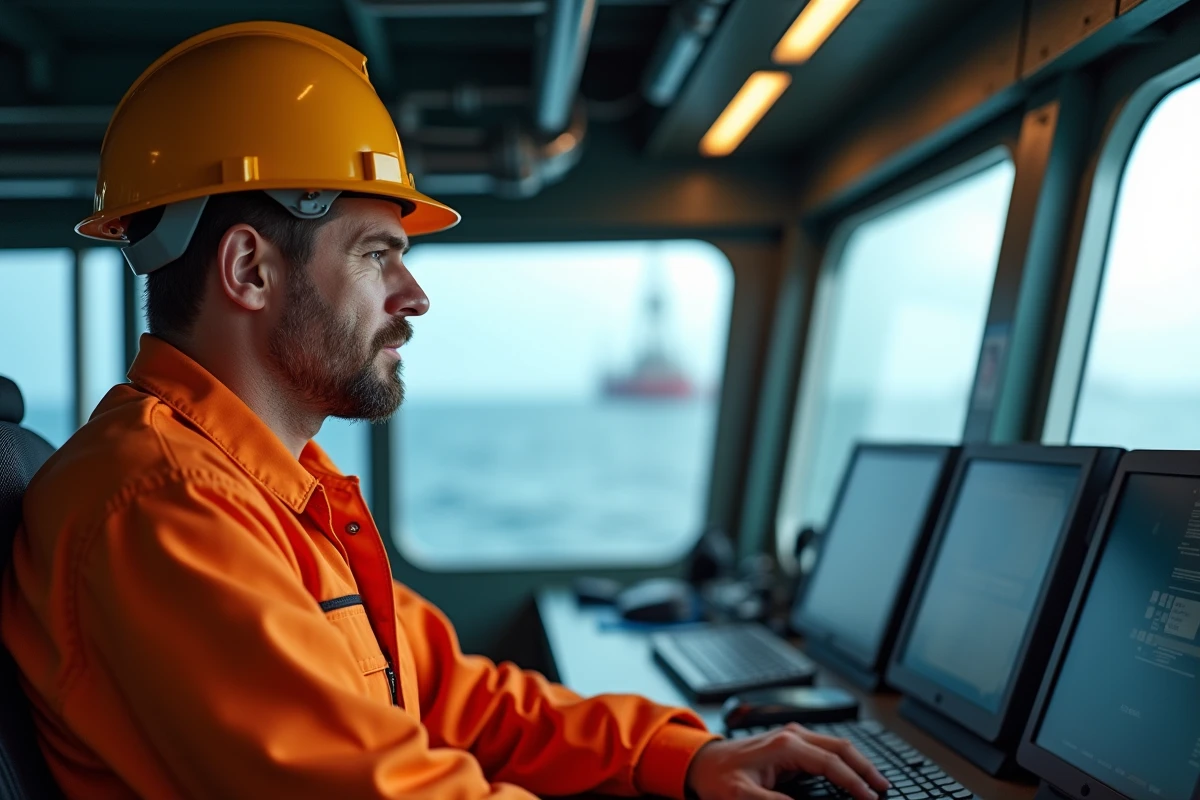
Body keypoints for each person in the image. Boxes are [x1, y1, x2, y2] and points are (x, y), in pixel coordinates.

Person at [0, 21, 891, 800]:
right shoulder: (159, 508)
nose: (414, 294)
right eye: (376, 254)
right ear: (249, 270)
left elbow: (449, 694)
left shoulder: (265, 490)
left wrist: (685, 757)